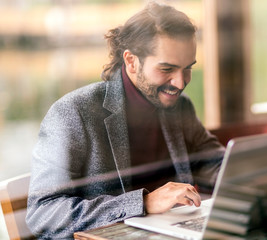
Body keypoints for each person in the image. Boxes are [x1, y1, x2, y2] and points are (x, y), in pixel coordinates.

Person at [26, 1, 225, 239]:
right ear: (131, 61)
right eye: (166, 69)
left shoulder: (180, 108)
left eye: (187, 68)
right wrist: (144, 202)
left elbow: (215, 164)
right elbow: (43, 214)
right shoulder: (73, 113)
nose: (180, 83)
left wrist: (263, 176)